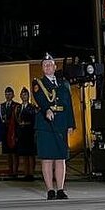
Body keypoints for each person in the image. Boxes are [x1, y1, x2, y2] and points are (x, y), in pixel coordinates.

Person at [34, 53, 76, 199]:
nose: (48, 67)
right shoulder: (38, 83)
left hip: (61, 122)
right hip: (45, 124)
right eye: (45, 65)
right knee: (47, 158)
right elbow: (39, 99)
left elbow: (69, 105)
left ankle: (61, 189)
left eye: (50, 64)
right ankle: (50, 190)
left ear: (55, 66)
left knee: (60, 157)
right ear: (42, 68)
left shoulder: (64, 84)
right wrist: (47, 109)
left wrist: (71, 123)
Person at [0, 87, 20, 178]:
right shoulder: (1, 106)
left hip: (13, 132)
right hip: (5, 132)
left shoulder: (17, 105)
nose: (8, 95)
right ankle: (10, 170)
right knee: (8, 153)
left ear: (13, 95)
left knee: (15, 153)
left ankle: (15, 171)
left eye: (9, 94)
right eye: (6, 94)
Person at [15, 86, 37, 181]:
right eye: (23, 94)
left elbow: (34, 121)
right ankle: (26, 173)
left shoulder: (32, 107)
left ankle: (31, 174)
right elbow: (16, 122)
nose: (24, 96)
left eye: (26, 94)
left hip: (30, 133)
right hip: (21, 133)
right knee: (24, 155)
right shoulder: (18, 108)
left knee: (30, 155)